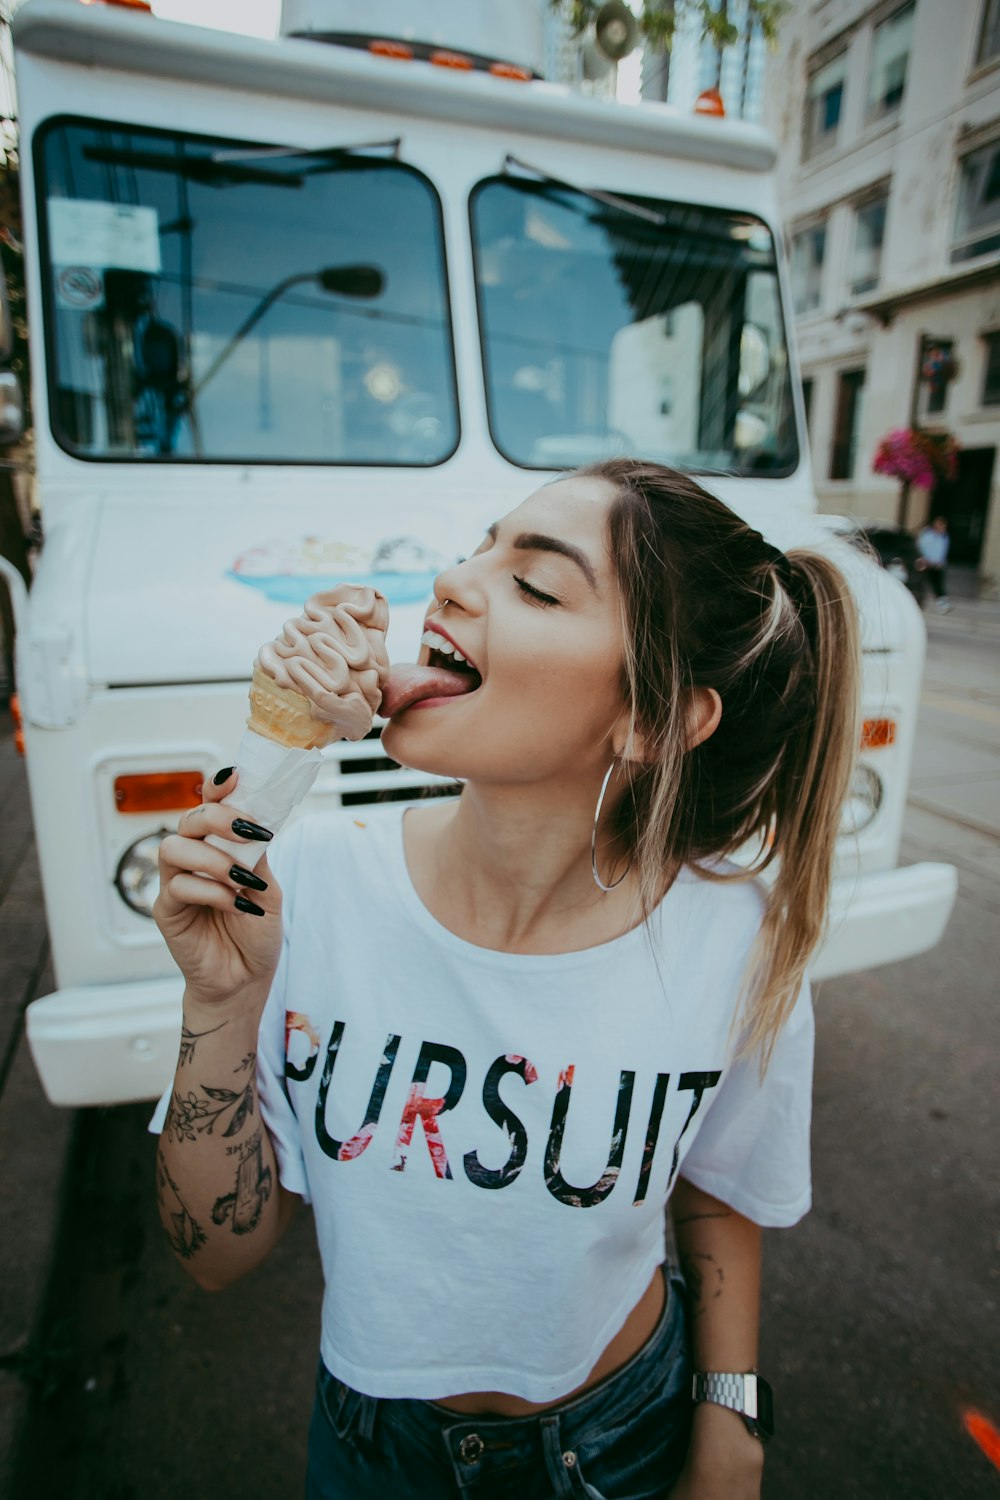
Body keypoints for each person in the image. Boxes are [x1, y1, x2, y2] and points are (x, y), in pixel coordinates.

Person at [151, 459, 861, 1500]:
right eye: (479, 545)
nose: (451, 579)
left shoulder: (737, 942)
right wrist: (217, 1003)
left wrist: (730, 1419)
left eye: (533, 583)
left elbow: (716, 1192)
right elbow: (212, 1257)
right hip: (364, 1448)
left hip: (624, 1441)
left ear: (655, 721)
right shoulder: (306, 882)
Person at [916, 516, 953, 613]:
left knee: (939, 583)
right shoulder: (926, 535)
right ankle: (919, 601)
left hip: (937, 564)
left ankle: (942, 603)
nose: (942, 528)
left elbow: (942, 551)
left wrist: (940, 561)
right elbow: (921, 547)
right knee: (922, 582)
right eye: (940, 525)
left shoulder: (944, 537)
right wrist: (926, 559)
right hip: (926, 563)